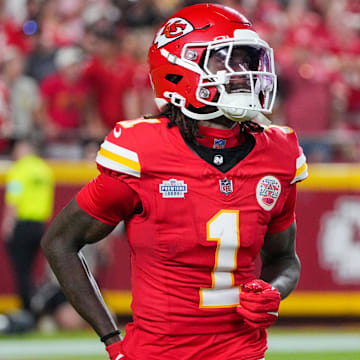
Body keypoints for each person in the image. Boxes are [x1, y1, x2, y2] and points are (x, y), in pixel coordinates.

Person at [41, 4, 308, 360]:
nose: (243, 73)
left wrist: (272, 290)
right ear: (179, 67)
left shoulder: (277, 152)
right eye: (227, 60)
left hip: (243, 352)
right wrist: (111, 338)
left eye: (248, 61)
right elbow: (59, 242)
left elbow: (285, 260)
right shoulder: (143, 150)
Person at [1, 138, 54, 331]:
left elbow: (13, 199)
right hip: (39, 225)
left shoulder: (19, 170)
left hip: (22, 225)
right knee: (33, 271)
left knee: (22, 272)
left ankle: (26, 314)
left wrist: (8, 224)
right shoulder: (44, 169)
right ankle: (34, 311)